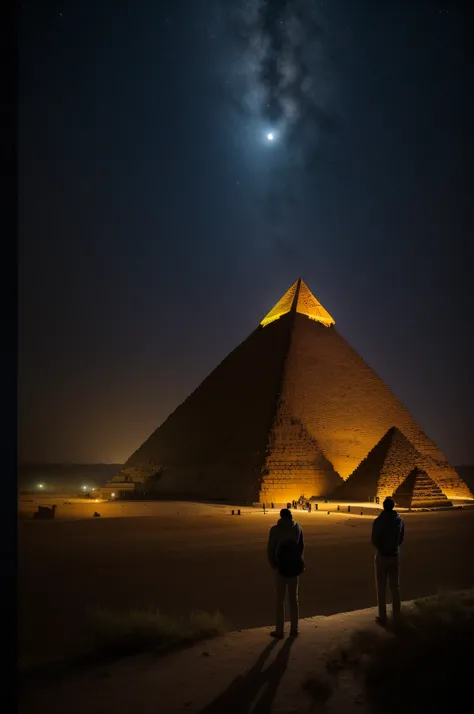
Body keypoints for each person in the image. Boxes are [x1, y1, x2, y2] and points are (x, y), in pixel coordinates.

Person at [267, 508, 305, 638]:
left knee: (280, 600)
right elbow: (301, 548)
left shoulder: (275, 530)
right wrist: (297, 563)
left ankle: (279, 631)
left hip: (281, 568)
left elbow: (270, 549)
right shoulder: (297, 528)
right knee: (294, 599)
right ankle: (294, 629)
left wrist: (274, 564)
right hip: (294, 569)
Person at [371, 496, 404, 624]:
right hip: (395, 556)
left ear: (384, 507)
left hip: (382, 557)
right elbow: (401, 540)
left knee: (381, 588)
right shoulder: (400, 521)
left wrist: (383, 549)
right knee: (395, 587)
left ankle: (383, 616)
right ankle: (397, 615)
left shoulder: (378, 522)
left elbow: (374, 540)